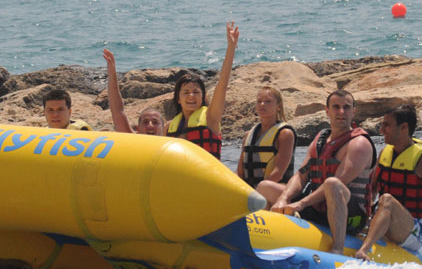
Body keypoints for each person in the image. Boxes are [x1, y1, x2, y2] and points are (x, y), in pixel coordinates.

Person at [258, 89, 376, 255]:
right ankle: (264, 238)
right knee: (265, 187)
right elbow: (301, 175)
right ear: (327, 111)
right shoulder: (320, 139)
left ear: (353, 111)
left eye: (346, 107)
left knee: (333, 184)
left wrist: (300, 204)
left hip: (351, 217)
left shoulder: (359, 144)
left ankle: (337, 249)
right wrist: (284, 199)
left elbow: (338, 182)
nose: (341, 112)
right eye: (336, 107)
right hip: (318, 209)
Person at [354, 105, 422, 264]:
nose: (381, 130)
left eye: (386, 125)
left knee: (387, 200)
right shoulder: (384, 154)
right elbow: (371, 192)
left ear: (404, 128)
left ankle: (364, 250)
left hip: (414, 232)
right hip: (384, 220)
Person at [165, 21, 239, 159]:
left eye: (196, 92)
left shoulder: (211, 118)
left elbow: (222, 84)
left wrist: (231, 47)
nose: (191, 96)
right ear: (178, 99)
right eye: (185, 92)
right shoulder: (169, 127)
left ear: (203, 97)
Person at [237, 86, 296, 187]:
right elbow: (239, 173)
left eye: (268, 101)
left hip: (275, 189)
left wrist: (256, 192)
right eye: (259, 101)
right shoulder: (248, 135)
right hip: (252, 191)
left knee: (265, 187)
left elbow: (278, 174)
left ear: (278, 106)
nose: (262, 104)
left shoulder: (285, 134)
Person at [102, 48, 166, 135]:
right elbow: (118, 111)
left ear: (163, 128)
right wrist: (112, 74)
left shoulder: (173, 141)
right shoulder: (132, 138)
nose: (150, 125)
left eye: (155, 122)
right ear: (138, 129)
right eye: (145, 122)